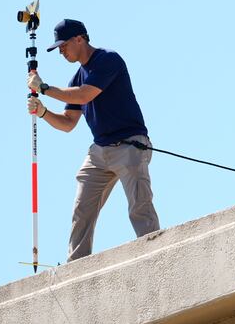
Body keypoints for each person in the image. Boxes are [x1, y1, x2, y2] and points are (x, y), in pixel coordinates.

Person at [26, 19, 160, 262]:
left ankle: (155, 255)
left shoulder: (108, 60)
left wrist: (44, 87)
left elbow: (86, 94)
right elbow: (68, 122)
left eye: (63, 45)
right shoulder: (75, 80)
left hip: (129, 144)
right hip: (99, 151)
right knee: (82, 209)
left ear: (80, 39)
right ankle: (76, 265)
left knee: (140, 206)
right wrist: (43, 112)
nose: (61, 52)